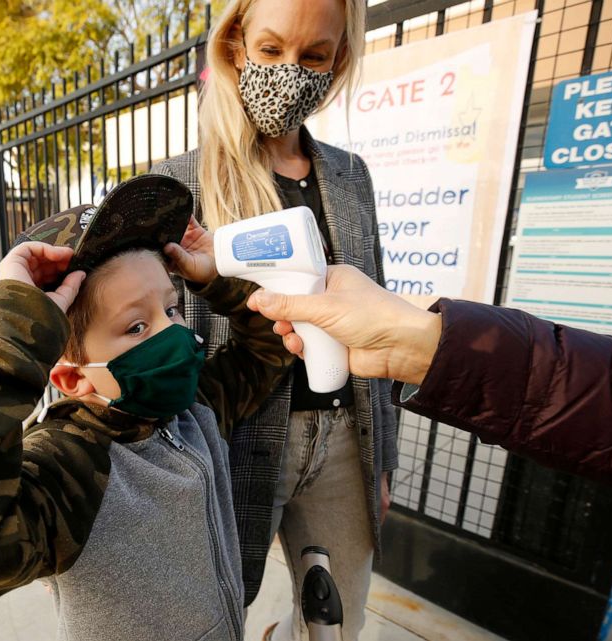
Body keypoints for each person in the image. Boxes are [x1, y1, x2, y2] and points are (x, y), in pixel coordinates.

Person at [0, 175, 293, 641]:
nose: (170, 334)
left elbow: (273, 343)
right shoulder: (69, 464)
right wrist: (10, 336)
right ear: (73, 377)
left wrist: (215, 278)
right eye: (135, 327)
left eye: (171, 309)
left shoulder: (196, 410)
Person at [152, 1, 395, 637]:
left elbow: (380, 306)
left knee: (336, 624)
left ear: (338, 59)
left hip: (346, 440)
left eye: (314, 55)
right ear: (234, 45)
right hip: (235, 441)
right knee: (214, 615)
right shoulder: (179, 185)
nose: (291, 71)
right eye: (270, 49)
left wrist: (383, 461)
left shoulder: (349, 176)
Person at [247, 264, 612, 506]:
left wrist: (382, 463)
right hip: (255, 445)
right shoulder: (193, 181)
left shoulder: (348, 170)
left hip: (349, 430)